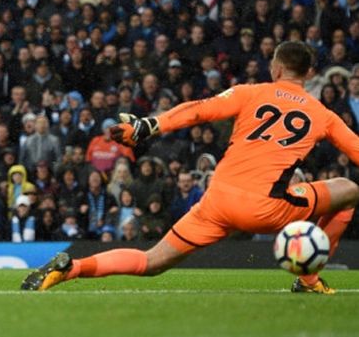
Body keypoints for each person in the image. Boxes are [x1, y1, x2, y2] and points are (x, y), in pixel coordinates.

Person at [23, 42, 359, 294]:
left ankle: (72, 267)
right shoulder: (323, 115)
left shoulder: (250, 92)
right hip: (266, 210)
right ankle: (308, 278)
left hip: (216, 201)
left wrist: (149, 125)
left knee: (151, 261)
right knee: (348, 191)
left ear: (275, 68)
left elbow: (198, 111)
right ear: (310, 74)